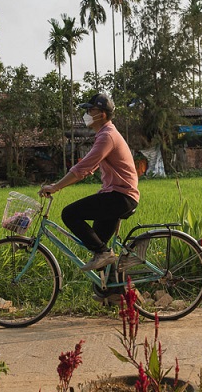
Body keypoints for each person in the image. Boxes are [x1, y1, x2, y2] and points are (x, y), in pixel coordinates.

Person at [39, 93, 139, 271]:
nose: (85, 113)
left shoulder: (107, 136)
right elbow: (88, 168)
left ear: (101, 114)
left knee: (69, 214)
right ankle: (113, 293)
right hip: (116, 195)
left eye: (89, 110)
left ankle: (103, 254)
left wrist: (55, 187)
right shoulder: (105, 134)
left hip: (120, 197)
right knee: (99, 250)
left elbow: (82, 169)